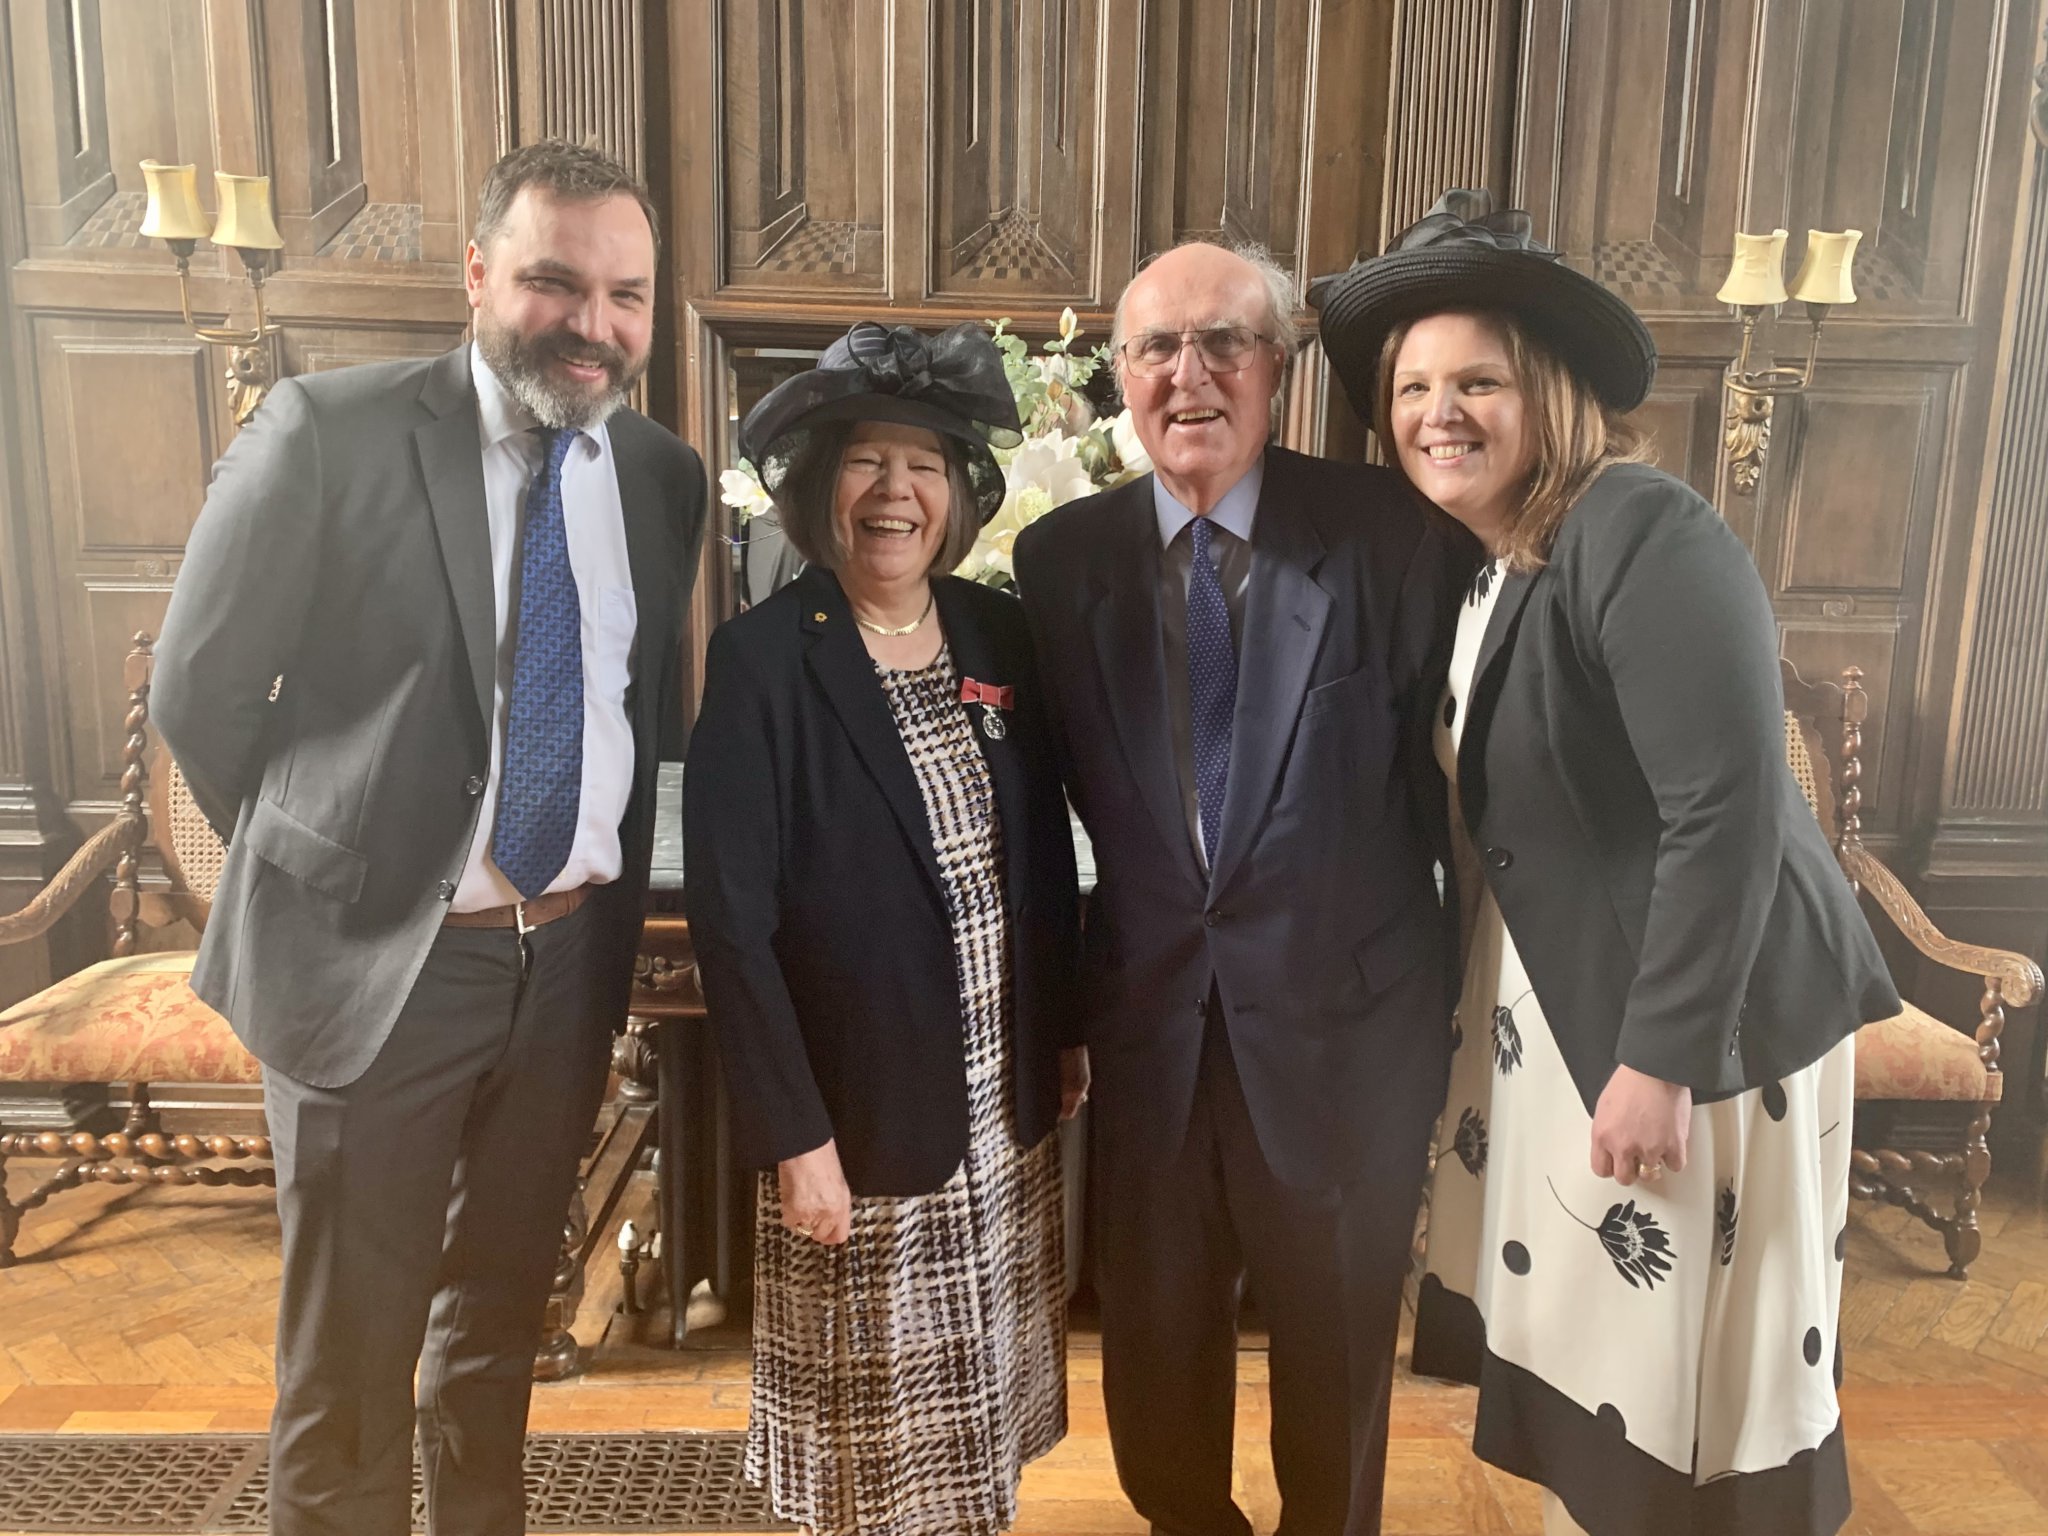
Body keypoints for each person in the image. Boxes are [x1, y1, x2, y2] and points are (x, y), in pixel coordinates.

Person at [1309, 190, 1902, 1536]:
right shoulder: (1500, 561)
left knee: (1691, 1400)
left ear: (1552, 395)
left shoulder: (1641, 525)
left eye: (1476, 381)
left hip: (1699, 1028)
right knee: (1608, 1378)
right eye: (1412, 388)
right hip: (1571, 1012)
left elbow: (1731, 807)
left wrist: (1660, 1060)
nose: (1436, 413)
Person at [152, 141, 707, 1536]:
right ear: (474, 275)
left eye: (627, 294)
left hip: (565, 967)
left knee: (501, 1328)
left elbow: (635, 715)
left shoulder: (659, 475)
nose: (593, 324)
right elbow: (201, 694)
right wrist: (343, 877)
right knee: (350, 1363)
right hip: (379, 970)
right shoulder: (325, 432)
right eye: (553, 282)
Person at [1013, 242, 1471, 1536]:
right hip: (1152, 1034)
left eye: (1225, 343)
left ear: (1281, 367)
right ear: (1119, 377)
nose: (1190, 374)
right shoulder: (1060, 566)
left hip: (1348, 1039)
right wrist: (1052, 1021)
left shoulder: (1393, 537)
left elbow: (1465, 795)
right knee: (1154, 1364)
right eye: (1157, 348)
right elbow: (1040, 832)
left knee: (1333, 1371)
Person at [683, 321, 1087, 1536]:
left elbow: (1039, 869)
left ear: (956, 497)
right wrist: (795, 1135)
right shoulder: (760, 662)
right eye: (865, 461)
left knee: (976, 1415)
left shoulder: (994, 633)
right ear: (820, 489)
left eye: (921, 464)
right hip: (857, 1116)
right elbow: (732, 928)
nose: (894, 492)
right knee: (874, 1449)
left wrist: (1060, 1031)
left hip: (994, 1101)